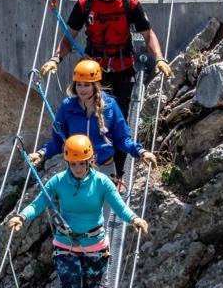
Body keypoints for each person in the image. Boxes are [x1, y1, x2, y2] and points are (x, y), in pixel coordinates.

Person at [6, 134, 148, 288]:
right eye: (73, 163)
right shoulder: (58, 182)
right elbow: (38, 203)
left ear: (90, 160)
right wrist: (21, 216)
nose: (78, 168)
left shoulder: (102, 182)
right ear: (67, 162)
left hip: (95, 249)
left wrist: (134, 219)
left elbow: (119, 206)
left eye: (82, 163)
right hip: (66, 248)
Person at [40, 0, 173, 180]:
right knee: (87, 117)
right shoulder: (86, 4)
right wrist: (55, 59)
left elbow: (147, 33)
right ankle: (87, 171)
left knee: (116, 123)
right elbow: (69, 36)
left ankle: (117, 175)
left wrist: (159, 58)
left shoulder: (130, 3)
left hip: (122, 69)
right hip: (93, 72)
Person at [30, 58, 155, 192]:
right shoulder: (67, 107)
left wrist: (141, 151)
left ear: (95, 85)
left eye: (87, 85)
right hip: (77, 171)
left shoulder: (110, 106)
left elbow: (122, 139)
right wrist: (41, 153)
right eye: (79, 84)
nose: (82, 89)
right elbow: (58, 141)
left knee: (104, 212)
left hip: (105, 171)